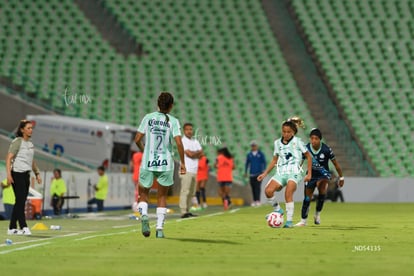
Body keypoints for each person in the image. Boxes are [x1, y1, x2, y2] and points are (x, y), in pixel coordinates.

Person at [134, 92, 186, 238]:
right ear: (171, 106)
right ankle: (159, 229)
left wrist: (144, 150)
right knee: (162, 196)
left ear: (158, 103)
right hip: (166, 163)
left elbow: (137, 138)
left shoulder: (148, 117)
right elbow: (179, 143)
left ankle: (144, 215)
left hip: (148, 161)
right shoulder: (173, 121)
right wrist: (182, 163)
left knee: (143, 193)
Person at [257, 116, 312, 228]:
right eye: (284, 132)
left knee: (288, 193)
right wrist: (265, 173)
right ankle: (278, 210)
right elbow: (274, 160)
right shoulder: (277, 143)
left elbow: (308, 157)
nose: (286, 134)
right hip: (281, 172)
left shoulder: (298, 142)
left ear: (293, 133)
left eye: (289, 132)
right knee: (268, 191)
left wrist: (309, 173)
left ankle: (289, 221)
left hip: (295, 171)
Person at [295, 129, 344, 226]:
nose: (313, 141)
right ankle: (303, 220)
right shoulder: (306, 148)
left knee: (322, 193)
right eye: (312, 138)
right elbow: (300, 162)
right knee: (307, 199)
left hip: (323, 175)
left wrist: (341, 177)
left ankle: (317, 214)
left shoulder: (326, 149)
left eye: (316, 139)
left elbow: (336, 164)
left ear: (320, 139)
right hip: (311, 175)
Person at [5, 119, 42, 235]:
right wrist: (9, 175)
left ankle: (11, 228)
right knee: (20, 201)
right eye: (28, 128)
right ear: (22, 130)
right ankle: (24, 226)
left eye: (31, 128)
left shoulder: (30, 144)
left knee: (20, 201)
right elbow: (8, 158)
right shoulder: (17, 142)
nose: (31, 130)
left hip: (26, 175)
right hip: (17, 174)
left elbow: (32, 161)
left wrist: (37, 173)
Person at [179, 123, 203, 218]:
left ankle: (187, 210)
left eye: (191, 129)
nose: (190, 131)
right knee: (185, 190)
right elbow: (189, 154)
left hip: (194, 169)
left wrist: (194, 154)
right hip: (185, 168)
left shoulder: (195, 141)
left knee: (192, 192)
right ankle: (183, 211)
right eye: (187, 129)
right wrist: (196, 153)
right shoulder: (182, 141)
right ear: (184, 131)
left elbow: (202, 154)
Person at [244, 141, 267, 207]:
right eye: (252, 146)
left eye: (254, 145)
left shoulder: (261, 154)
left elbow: (264, 162)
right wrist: (246, 172)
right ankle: (254, 200)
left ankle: (258, 200)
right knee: (253, 187)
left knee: (257, 187)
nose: (253, 147)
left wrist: (263, 170)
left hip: (258, 173)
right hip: (251, 173)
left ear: (257, 146)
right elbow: (247, 164)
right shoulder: (249, 154)